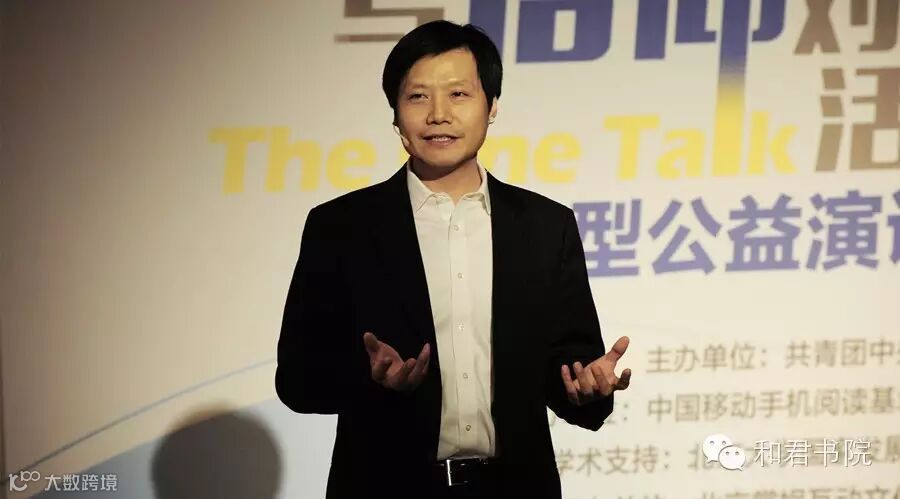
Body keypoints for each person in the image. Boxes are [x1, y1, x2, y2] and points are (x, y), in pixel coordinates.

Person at [275, 19, 632, 499]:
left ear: (492, 106)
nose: (438, 115)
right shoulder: (342, 227)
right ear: (395, 114)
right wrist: (374, 380)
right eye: (418, 97)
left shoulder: (546, 227)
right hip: (386, 486)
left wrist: (587, 388)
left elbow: (568, 373)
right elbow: (297, 380)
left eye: (459, 95)